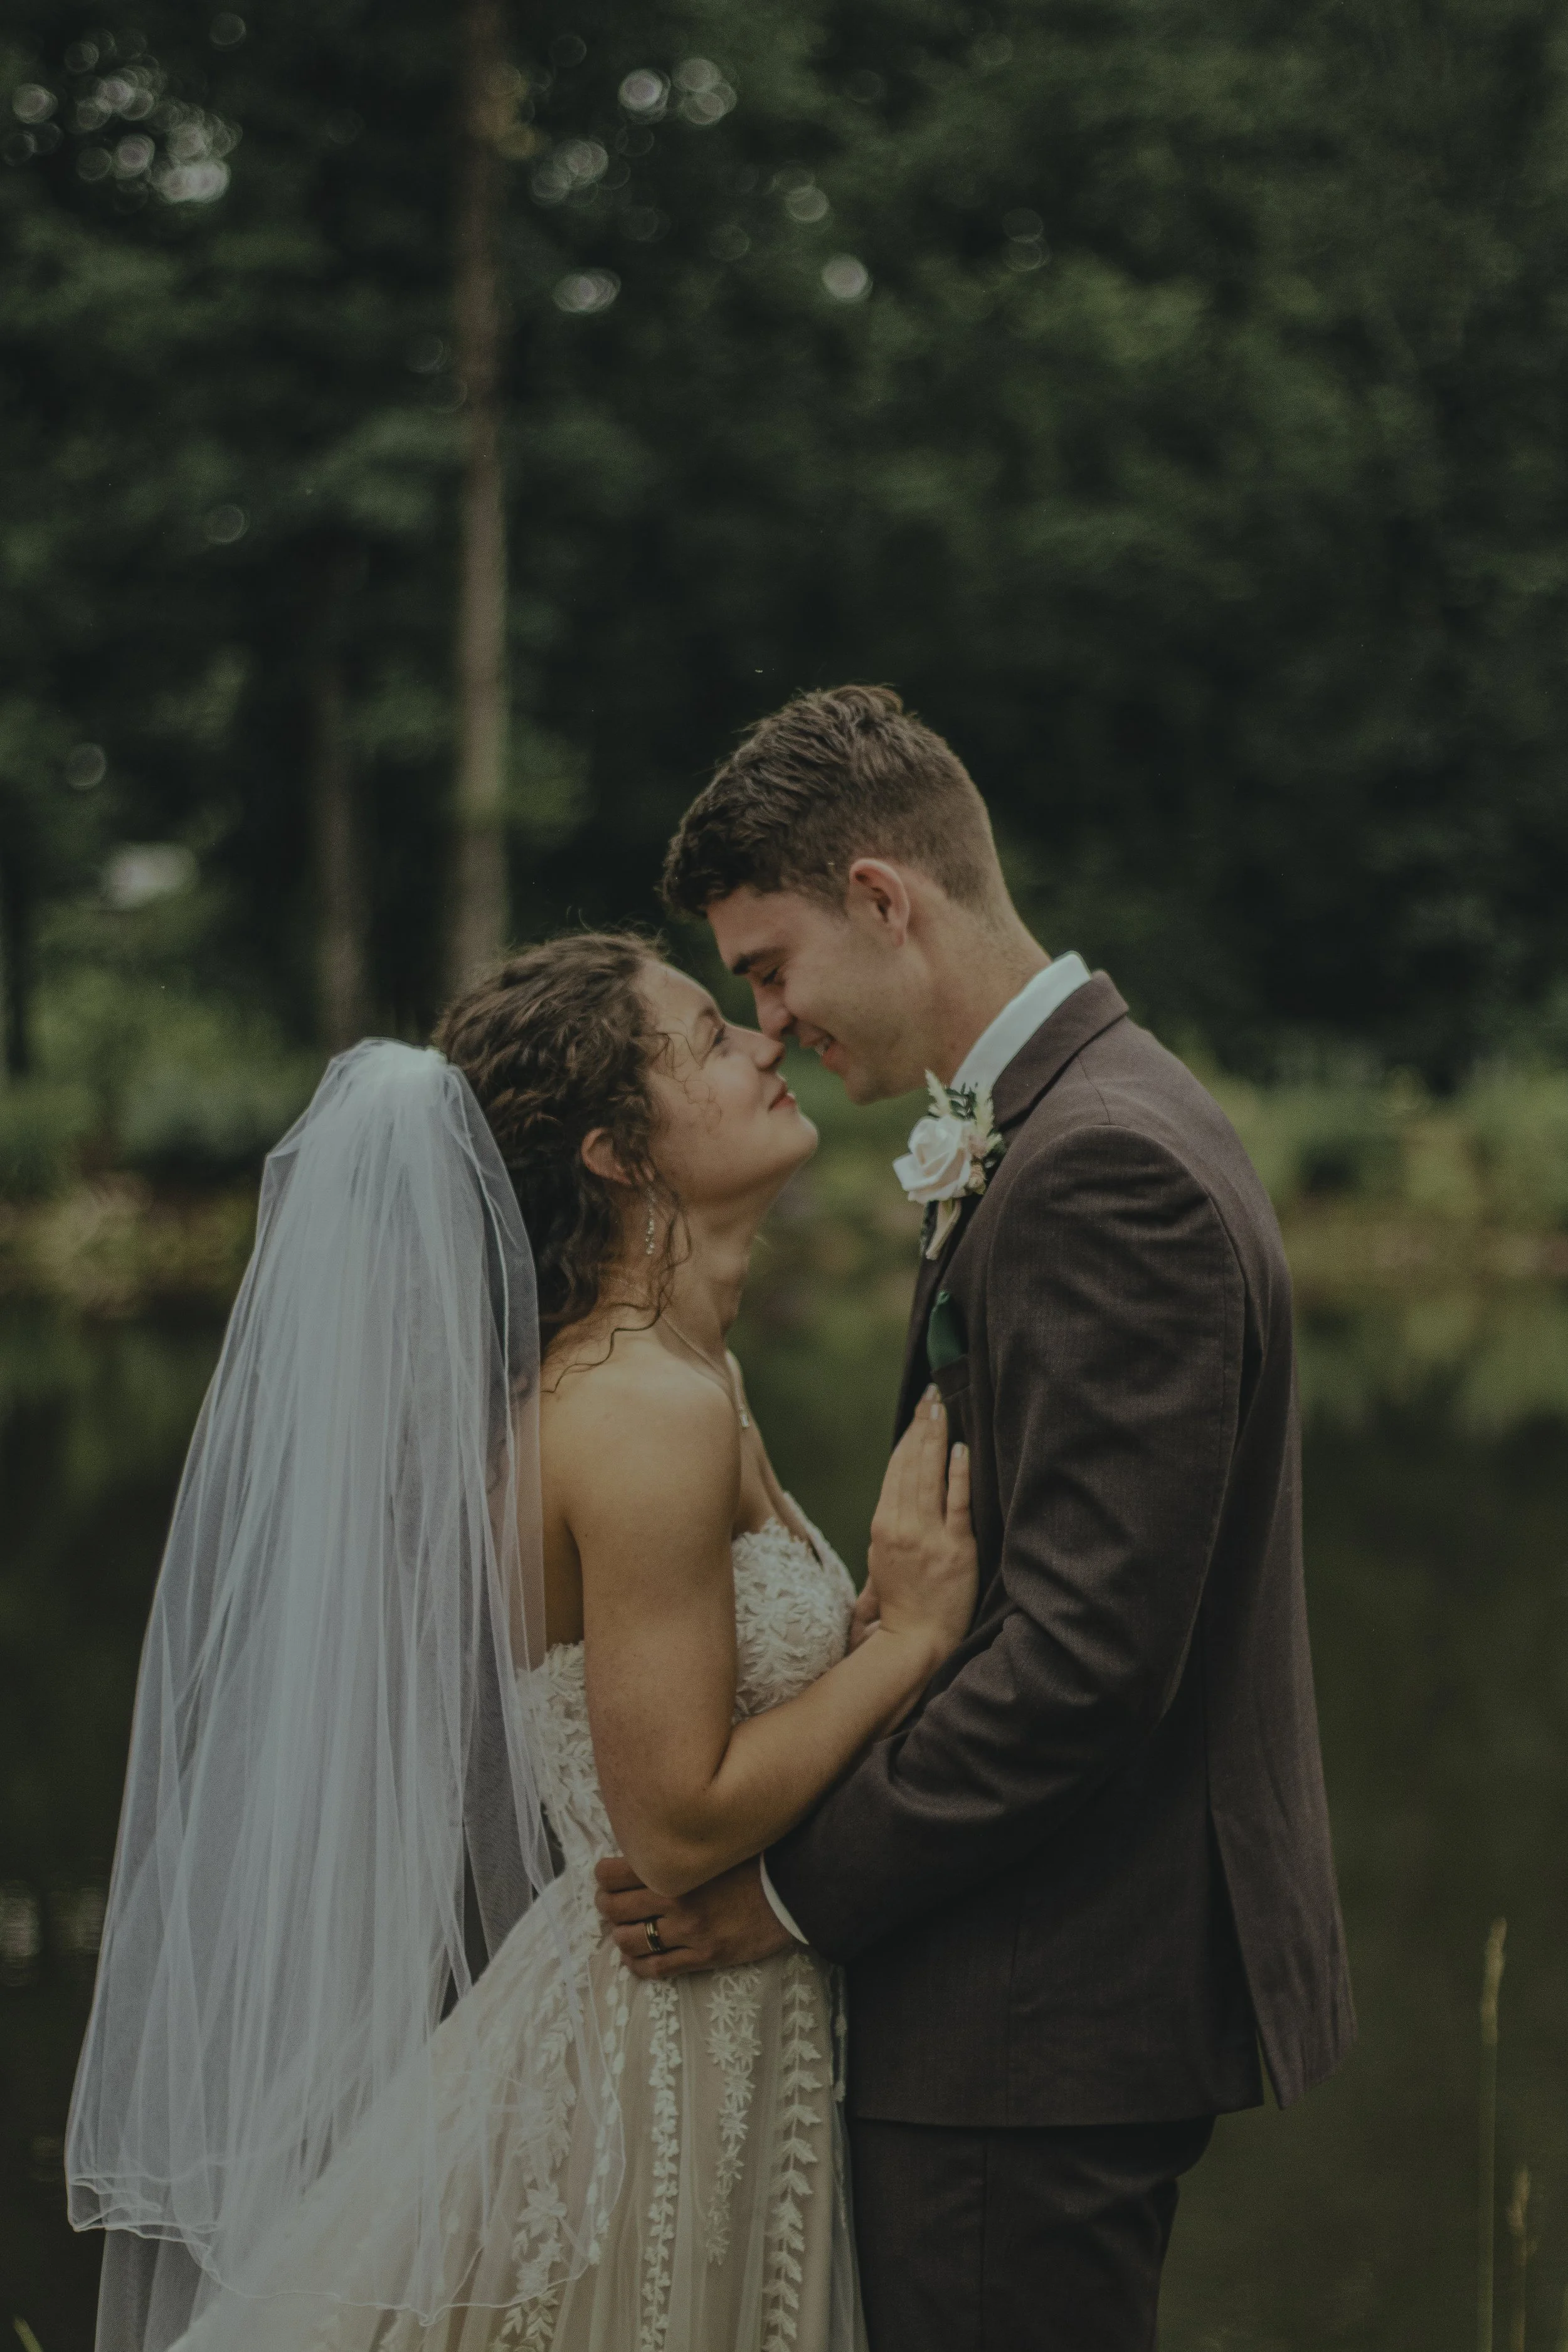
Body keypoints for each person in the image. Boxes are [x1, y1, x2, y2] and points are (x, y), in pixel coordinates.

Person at [67, 930, 978, 2351]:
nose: (762, 1041)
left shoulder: (686, 1372)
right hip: (658, 2066)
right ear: (618, 1153)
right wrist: (909, 1641)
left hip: (726, 2025)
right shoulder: (634, 1412)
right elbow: (673, 1826)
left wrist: (854, 1633)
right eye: (705, 1039)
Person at [595, 684, 1357, 2351]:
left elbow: (1082, 1659)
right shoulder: (1083, 1117)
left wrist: (782, 1896)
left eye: (770, 966)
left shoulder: (1100, 1165)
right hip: (1036, 2001)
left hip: (1039, 2012)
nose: (773, 1024)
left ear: (883, 897)